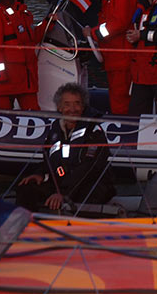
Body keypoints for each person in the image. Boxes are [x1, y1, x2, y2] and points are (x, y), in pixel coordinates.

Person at [15, 83, 115, 213]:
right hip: (60, 183)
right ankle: (24, 224)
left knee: (87, 193)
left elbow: (88, 169)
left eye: (77, 103)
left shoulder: (94, 132)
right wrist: (39, 174)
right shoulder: (56, 129)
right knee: (26, 187)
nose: (72, 109)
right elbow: (49, 159)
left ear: (83, 106)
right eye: (67, 104)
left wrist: (63, 194)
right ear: (59, 107)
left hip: (88, 185)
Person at [83, 0, 138, 115]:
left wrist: (92, 34)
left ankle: (122, 128)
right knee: (117, 96)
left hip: (122, 57)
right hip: (114, 56)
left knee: (120, 98)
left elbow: (118, 24)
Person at [0, 0, 43, 111]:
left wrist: (50, 22)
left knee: (34, 112)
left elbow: (33, 38)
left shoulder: (24, 14)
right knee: (3, 112)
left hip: (27, 77)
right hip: (7, 80)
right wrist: (0, 76)